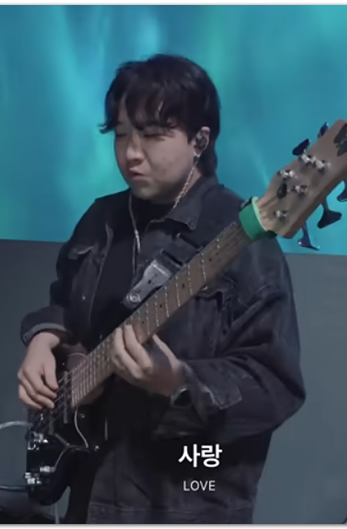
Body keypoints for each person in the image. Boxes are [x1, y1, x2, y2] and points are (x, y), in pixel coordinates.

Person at [17, 54, 305, 524]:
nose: (131, 153)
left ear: (199, 141)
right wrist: (44, 339)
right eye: (121, 134)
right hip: (90, 490)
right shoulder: (101, 219)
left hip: (184, 499)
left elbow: (276, 386)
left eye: (152, 135)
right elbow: (65, 301)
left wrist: (177, 381)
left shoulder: (241, 239)